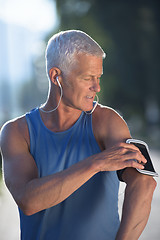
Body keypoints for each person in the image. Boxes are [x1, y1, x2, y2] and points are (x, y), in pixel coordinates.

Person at [0, 30, 157, 240]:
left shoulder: (107, 121)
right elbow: (29, 201)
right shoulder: (17, 132)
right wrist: (97, 163)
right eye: (88, 78)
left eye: (98, 77)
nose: (97, 87)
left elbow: (144, 183)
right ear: (56, 76)